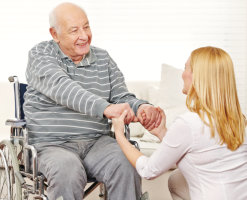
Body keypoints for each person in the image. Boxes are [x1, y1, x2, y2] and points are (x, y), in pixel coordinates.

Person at [23, 2, 161, 200]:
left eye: (86, 27)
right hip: (52, 145)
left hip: (97, 143)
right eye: (74, 30)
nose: (84, 36)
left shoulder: (103, 59)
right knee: (67, 170)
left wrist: (142, 107)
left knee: (126, 161)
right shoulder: (40, 55)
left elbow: (121, 97)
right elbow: (63, 88)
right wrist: (106, 108)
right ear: (55, 34)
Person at [113, 46, 247, 200]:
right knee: (176, 179)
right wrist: (162, 132)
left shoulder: (189, 123)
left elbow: (148, 170)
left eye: (186, 68)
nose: (182, 74)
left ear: (198, 77)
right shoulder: (239, 120)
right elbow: (199, 149)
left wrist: (119, 134)